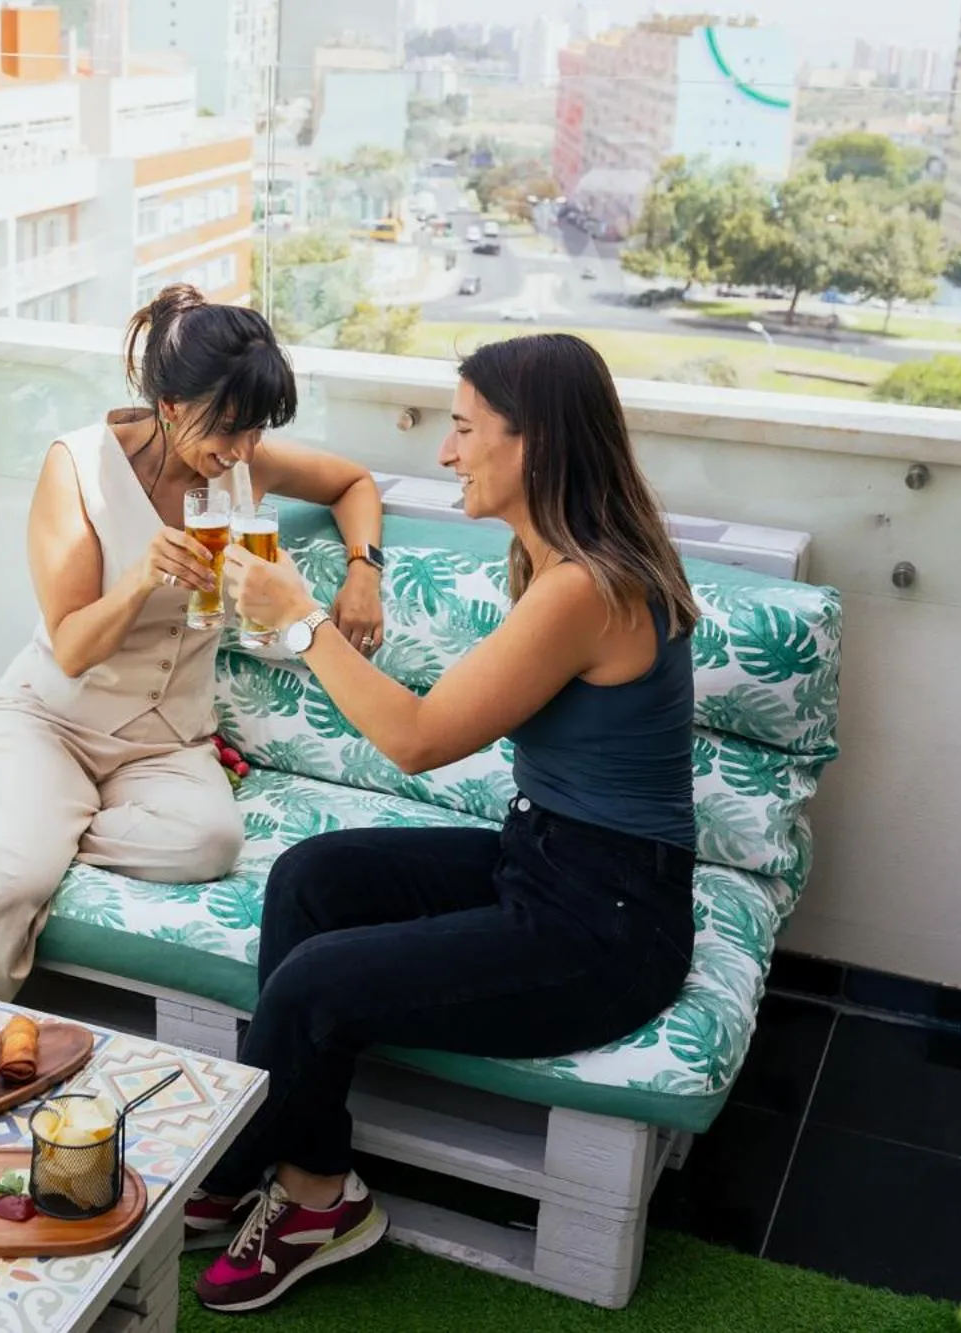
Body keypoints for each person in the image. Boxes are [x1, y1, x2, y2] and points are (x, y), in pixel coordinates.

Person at [188, 332, 699, 1314]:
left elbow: (416, 740)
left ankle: (271, 1175)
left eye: (463, 429)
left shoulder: (582, 587)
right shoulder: (551, 558)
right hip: (544, 860)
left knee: (311, 988)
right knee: (311, 877)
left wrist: (303, 620)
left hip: (607, 926)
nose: (445, 453)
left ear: (534, 442)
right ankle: (309, 1176)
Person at [0, 285, 388, 1001]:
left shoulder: (241, 461)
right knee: (9, 876)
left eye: (255, 432)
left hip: (168, 742)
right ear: (170, 405)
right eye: (228, 428)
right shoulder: (77, 468)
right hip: (49, 722)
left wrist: (365, 571)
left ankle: (10, 816)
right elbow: (74, 646)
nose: (239, 451)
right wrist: (142, 577)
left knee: (209, 843)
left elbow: (353, 482)